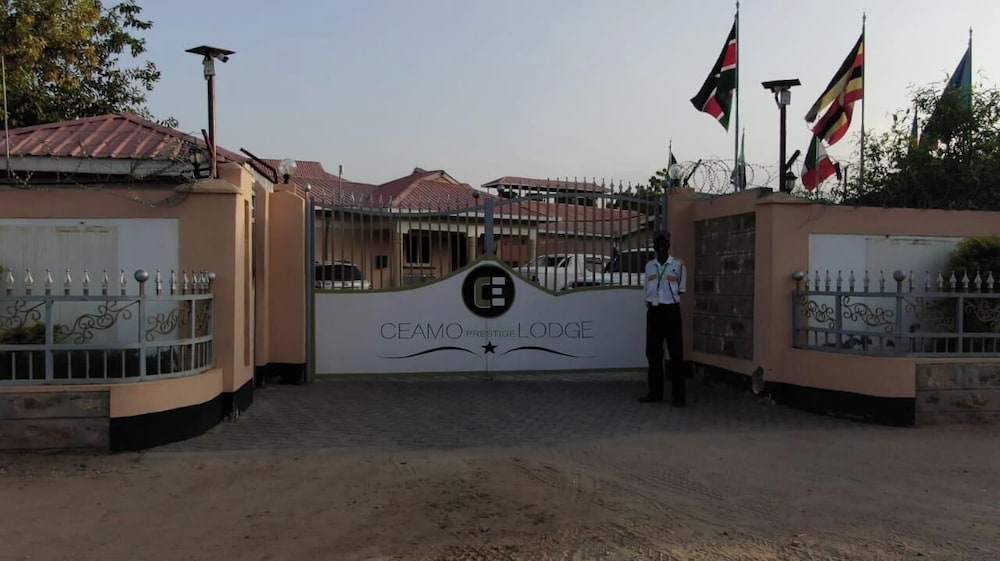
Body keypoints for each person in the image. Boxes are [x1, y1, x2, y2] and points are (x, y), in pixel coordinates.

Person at [638, 231, 687, 406]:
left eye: (663, 243)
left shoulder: (678, 265)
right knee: (653, 353)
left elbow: (681, 289)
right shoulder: (649, 266)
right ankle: (655, 392)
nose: (660, 247)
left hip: (671, 311)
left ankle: (679, 396)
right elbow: (647, 288)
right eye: (657, 244)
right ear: (654, 246)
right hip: (654, 311)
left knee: (676, 354)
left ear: (668, 245)